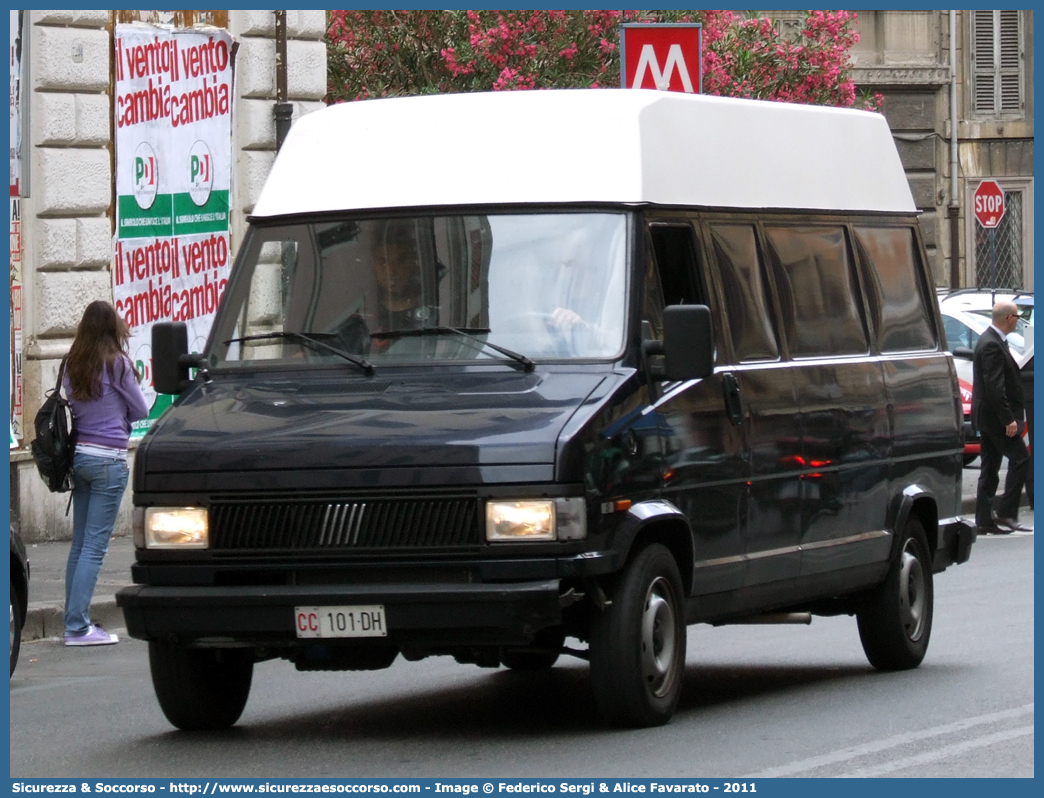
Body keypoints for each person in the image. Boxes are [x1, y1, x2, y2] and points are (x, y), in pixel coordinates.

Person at [62, 301, 149, 645]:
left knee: (80, 544)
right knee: (94, 548)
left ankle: (74, 619)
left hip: (80, 457)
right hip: (109, 460)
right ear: (113, 329)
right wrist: (121, 419)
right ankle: (78, 626)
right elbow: (142, 408)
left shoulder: (71, 364)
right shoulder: (118, 365)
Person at [972, 300, 1031, 535]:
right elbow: (994, 387)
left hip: (989, 417)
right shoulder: (991, 345)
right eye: (1017, 317)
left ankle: (984, 519)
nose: (1018, 322)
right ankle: (1006, 512)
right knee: (1020, 459)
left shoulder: (993, 341)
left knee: (990, 466)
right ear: (1009, 319)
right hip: (996, 419)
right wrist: (1008, 420)